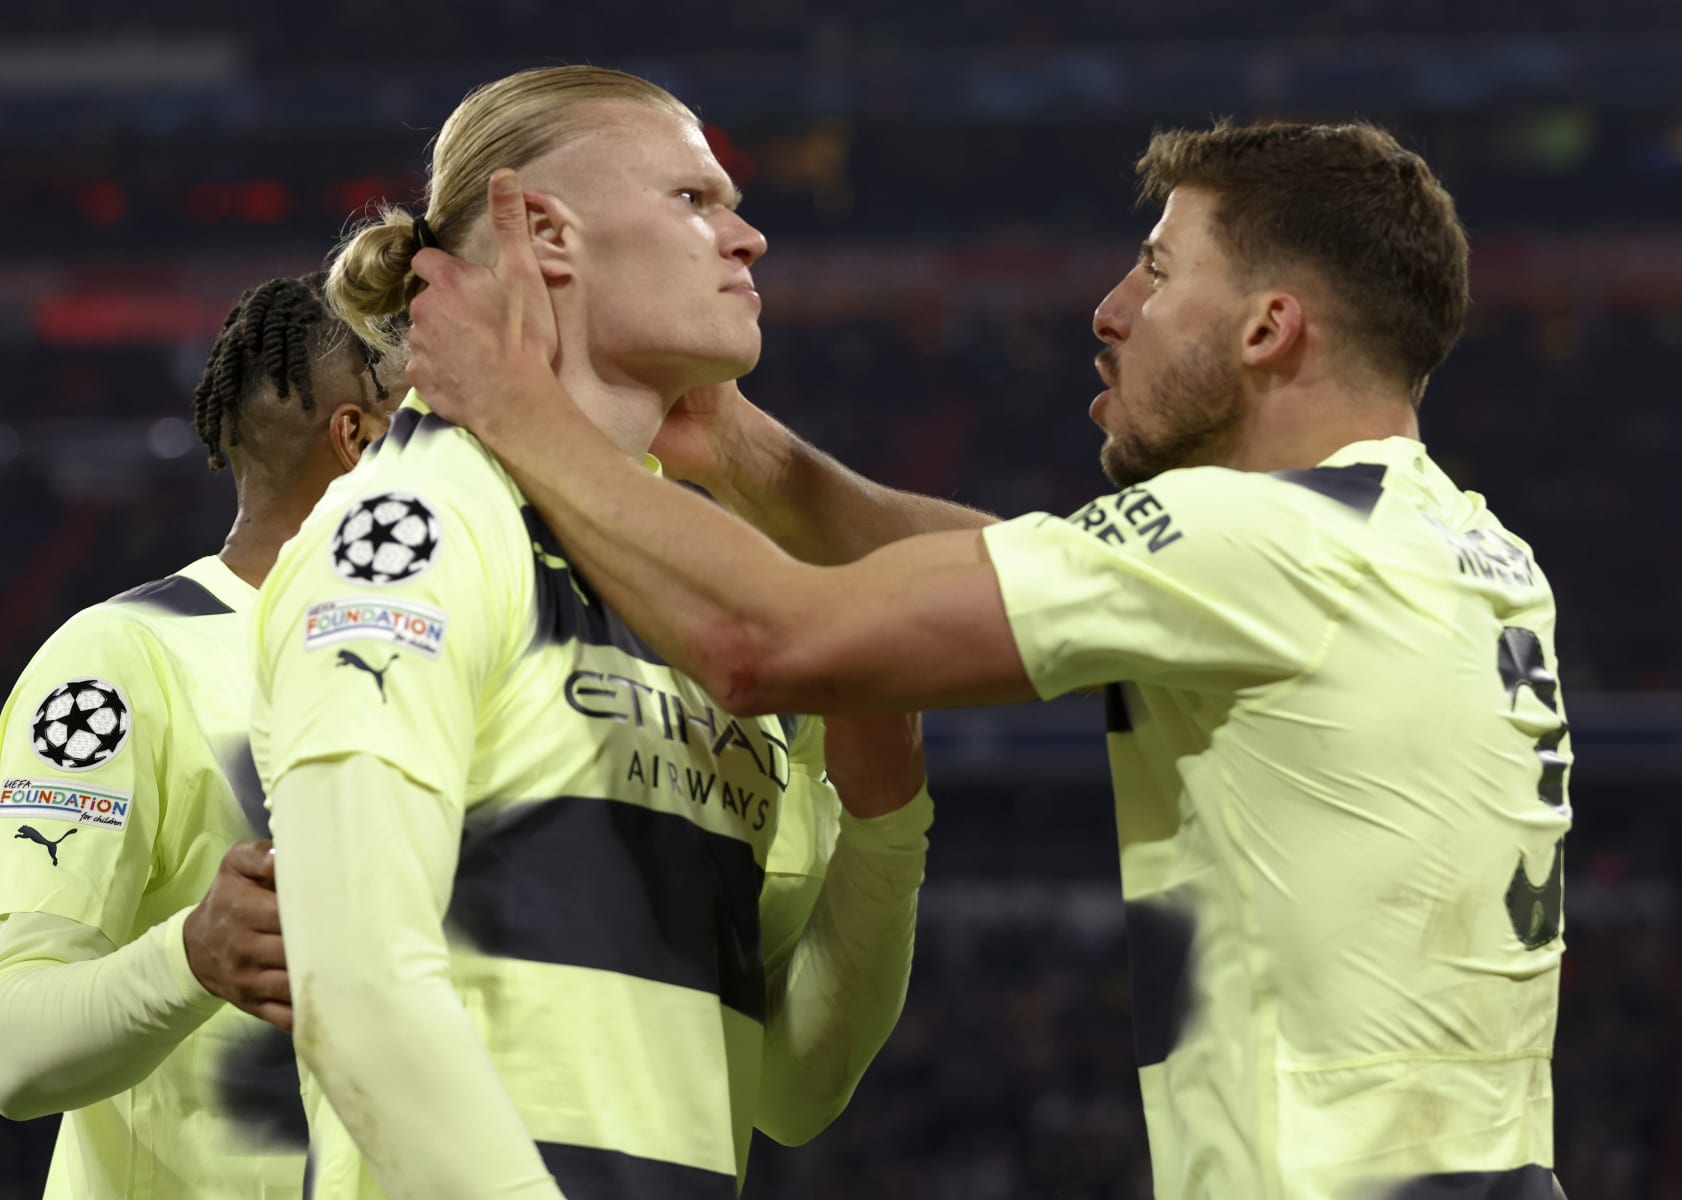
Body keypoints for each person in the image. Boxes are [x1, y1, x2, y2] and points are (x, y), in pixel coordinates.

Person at [408, 120, 1573, 1199]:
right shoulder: (1452, 542)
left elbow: (767, 644)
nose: (1112, 310)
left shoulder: (1268, 542)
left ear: (1268, 330)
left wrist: (517, 406)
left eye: (1160, 273)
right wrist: (754, 459)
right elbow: (1013, 565)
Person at [253, 65, 931, 1200]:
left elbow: (795, 1083)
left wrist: (885, 824)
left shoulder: (705, 585)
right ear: (545, 231)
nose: (749, 236)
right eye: (694, 199)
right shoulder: (417, 521)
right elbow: (359, 986)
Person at [0, 273, 404, 1198]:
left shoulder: (451, 670)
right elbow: (12, 1049)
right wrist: (190, 956)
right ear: (362, 442)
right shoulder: (120, 659)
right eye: (440, 426)